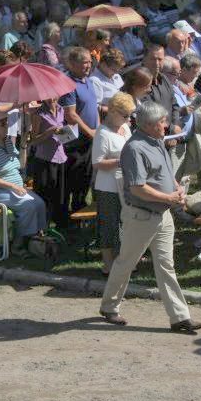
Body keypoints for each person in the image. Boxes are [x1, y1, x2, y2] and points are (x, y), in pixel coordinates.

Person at [99, 101, 201, 334]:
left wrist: (176, 189)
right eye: (162, 122)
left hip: (162, 215)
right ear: (148, 125)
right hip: (141, 216)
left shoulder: (157, 141)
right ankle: (109, 306)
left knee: (167, 265)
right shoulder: (135, 148)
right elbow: (138, 188)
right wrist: (168, 197)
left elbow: (166, 172)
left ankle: (180, 318)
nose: (166, 125)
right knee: (127, 262)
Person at [0, 107, 47, 252]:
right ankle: (18, 244)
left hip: (10, 187)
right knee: (28, 206)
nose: (7, 126)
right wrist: (12, 187)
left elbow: (20, 164)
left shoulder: (7, 141)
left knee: (39, 203)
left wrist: (23, 145)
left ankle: (37, 238)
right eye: (2, 124)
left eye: (6, 122)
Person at [91, 92, 134, 275]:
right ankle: (108, 265)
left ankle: (124, 262)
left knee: (126, 224)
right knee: (109, 225)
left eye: (130, 115)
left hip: (125, 183)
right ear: (113, 112)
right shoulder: (103, 133)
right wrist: (121, 161)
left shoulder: (125, 127)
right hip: (108, 187)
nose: (128, 119)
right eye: (125, 115)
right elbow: (97, 163)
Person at [59, 47, 100, 213]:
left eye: (90, 62)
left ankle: (81, 210)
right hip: (74, 142)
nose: (88, 66)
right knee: (73, 179)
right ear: (73, 64)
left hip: (90, 139)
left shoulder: (88, 81)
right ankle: (69, 215)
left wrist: (98, 128)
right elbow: (71, 115)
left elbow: (94, 107)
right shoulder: (69, 84)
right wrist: (90, 132)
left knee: (85, 178)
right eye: (84, 63)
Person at [30, 97, 68, 229]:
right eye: (49, 96)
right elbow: (33, 141)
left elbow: (62, 135)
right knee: (44, 195)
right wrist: (49, 132)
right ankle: (42, 227)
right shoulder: (38, 114)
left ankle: (60, 225)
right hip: (44, 159)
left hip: (60, 157)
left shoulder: (61, 110)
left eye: (55, 95)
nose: (52, 99)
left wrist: (66, 134)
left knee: (60, 195)